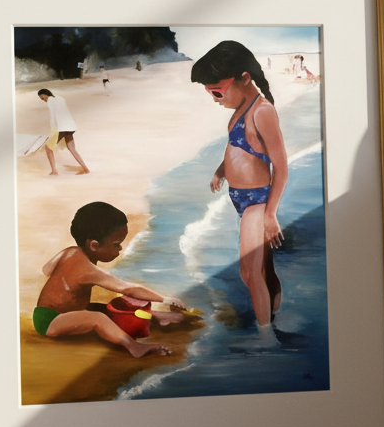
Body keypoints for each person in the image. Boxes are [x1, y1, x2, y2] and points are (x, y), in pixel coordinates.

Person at [191, 41, 288, 333]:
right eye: (209, 93)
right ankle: (274, 317)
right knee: (265, 268)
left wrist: (270, 215)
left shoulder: (262, 112)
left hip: (257, 201)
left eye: (217, 91)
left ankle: (265, 337)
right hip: (242, 198)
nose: (214, 98)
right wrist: (221, 171)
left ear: (244, 78)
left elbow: (281, 168)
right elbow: (235, 145)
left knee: (249, 271)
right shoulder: (241, 109)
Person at [33, 201, 185, 358]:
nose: (120, 249)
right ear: (94, 245)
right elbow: (128, 289)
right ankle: (133, 346)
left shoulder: (70, 251)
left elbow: (46, 269)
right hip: (50, 321)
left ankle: (155, 316)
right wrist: (164, 299)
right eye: (116, 244)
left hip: (65, 311)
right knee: (97, 317)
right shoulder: (88, 270)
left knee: (109, 309)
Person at [37, 89, 90, 175]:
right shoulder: (60, 98)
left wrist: (54, 131)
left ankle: (54, 171)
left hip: (62, 128)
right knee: (72, 149)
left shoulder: (50, 101)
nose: (44, 100)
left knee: (48, 148)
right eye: (42, 99)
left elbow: (54, 116)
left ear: (46, 94)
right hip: (71, 126)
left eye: (43, 98)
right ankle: (86, 169)